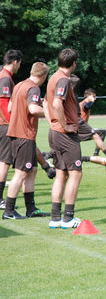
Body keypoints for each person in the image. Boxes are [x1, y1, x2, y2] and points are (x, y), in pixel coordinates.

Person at [2, 62, 50, 219]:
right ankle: (9, 211)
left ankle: (31, 208)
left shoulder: (19, 85)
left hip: (16, 133)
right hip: (24, 134)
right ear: (44, 76)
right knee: (21, 173)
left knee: (32, 170)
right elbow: (33, 109)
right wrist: (51, 113)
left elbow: (9, 108)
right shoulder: (33, 88)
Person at [46, 48, 83, 229]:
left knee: (61, 173)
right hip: (65, 134)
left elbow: (46, 103)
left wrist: (53, 123)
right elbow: (55, 103)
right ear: (73, 63)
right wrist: (65, 125)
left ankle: (55, 217)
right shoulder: (63, 79)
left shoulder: (53, 77)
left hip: (54, 132)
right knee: (76, 173)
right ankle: (68, 218)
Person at [0, 50, 22, 210]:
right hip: (4, 125)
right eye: (20, 63)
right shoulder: (5, 78)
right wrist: (12, 123)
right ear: (15, 61)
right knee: (5, 162)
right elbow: (4, 104)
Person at [78, 87, 106, 156]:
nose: (95, 98)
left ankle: (96, 154)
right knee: (99, 134)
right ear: (89, 96)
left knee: (102, 132)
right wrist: (91, 100)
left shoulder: (81, 103)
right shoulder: (84, 103)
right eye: (94, 96)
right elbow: (87, 107)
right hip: (81, 129)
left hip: (80, 129)